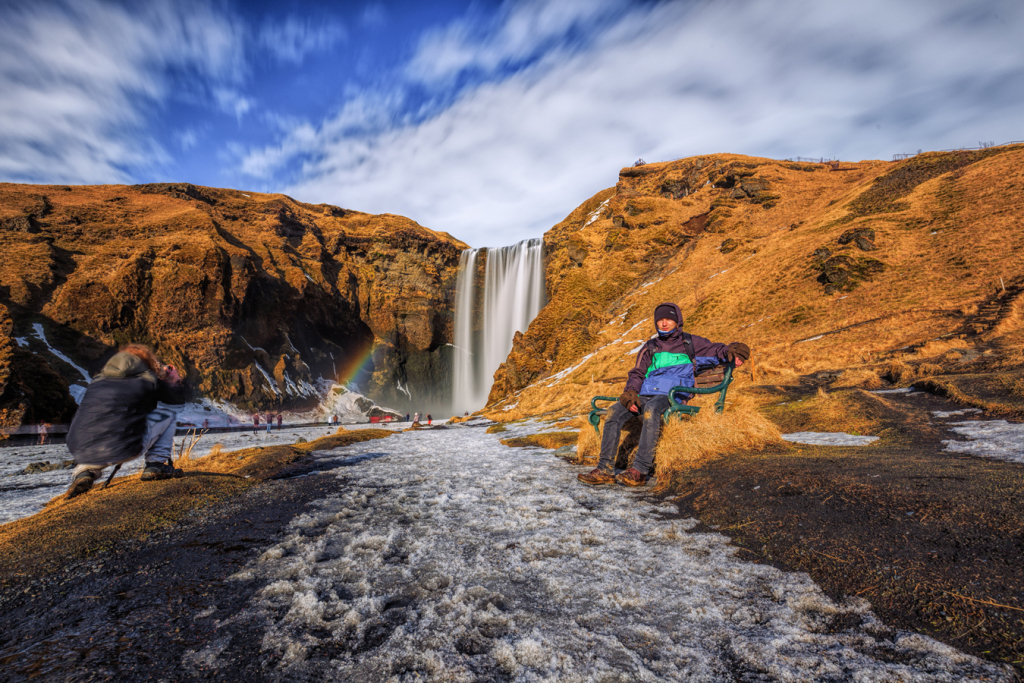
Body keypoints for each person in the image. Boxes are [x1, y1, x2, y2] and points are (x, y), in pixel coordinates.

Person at [578, 302, 749, 487]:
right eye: (660, 320)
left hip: (673, 395)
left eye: (669, 319)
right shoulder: (650, 347)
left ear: (677, 321)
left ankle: (640, 471)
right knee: (614, 411)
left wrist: (733, 349)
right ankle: (604, 469)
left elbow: (716, 350)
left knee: (651, 409)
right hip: (647, 393)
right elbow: (637, 373)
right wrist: (630, 394)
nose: (664, 323)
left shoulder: (690, 343)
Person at [64, 344, 187, 499]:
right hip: (123, 446)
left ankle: (83, 472)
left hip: (81, 449)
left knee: (103, 430)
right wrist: (173, 379)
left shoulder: (98, 381)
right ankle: (155, 465)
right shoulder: (148, 379)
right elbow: (177, 403)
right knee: (168, 414)